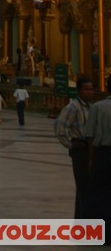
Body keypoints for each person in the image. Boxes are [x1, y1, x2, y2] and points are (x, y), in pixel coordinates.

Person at [55, 76, 93, 218]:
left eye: (91, 89)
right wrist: (70, 143)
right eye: (86, 89)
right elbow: (60, 127)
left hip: (89, 148)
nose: (89, 92)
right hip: (79, 149)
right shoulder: (73, 107)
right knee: (83, 185)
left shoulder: (90, 107)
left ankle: (81, 219)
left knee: (86, 186)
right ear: (79, 91)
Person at [81, 73, 111, 242]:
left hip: (104, 153)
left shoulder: (98, 107)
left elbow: (90, 136)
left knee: (96, 194)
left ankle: (94, 232)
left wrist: (91, 159)